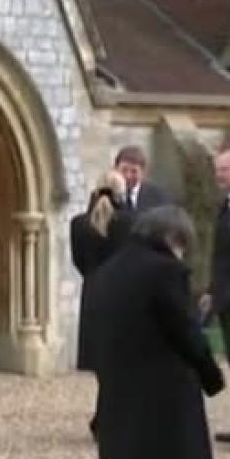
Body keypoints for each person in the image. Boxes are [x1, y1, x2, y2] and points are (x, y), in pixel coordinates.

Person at [85, 205, 225, 459]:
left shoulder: (108, 271)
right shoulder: (164, 271)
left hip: (121, 391)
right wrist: (212, 377)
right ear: (172, 237)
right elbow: (186, 332)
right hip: (168, 395)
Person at [70, 170, 134, 439]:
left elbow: (78, 261)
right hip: (121, 294)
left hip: (93, 293)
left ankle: (104, 418)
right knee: (120, 361)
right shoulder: (130, 222)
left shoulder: (78, 223)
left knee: (103, 362)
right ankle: (109, 419)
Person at [202, 147, 230, 454]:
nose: (218, 176)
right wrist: (212, 290)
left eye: (223, 170)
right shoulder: (228, 206)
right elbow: (223, 258)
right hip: (229, 302)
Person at [114, 145, 170, 211]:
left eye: (134, 171)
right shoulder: (108, 196)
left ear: (143, 172)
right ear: (115, 169)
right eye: (124, 170)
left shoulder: (158, 197)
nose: (128, 176)